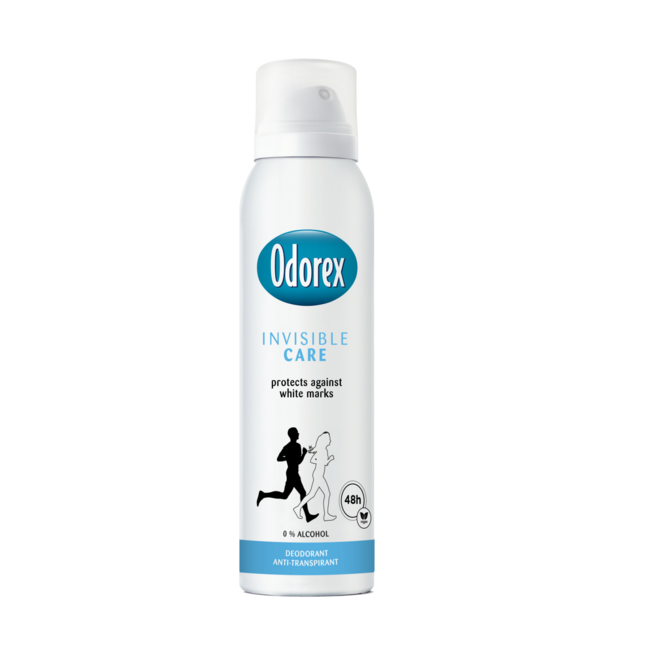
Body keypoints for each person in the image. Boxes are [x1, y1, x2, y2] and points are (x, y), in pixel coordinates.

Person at [257, 427, 318, 523]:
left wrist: (289, 457)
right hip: (293, 473)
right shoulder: (296, 446)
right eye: (297, 433)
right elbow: (296, 461)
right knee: (302, 493)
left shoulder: (289, 446)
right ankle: (307, 516)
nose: (298, 434)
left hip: (292, 472)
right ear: (293, 435)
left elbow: (282, 458)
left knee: (285, 495)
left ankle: (263, 494)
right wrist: (303, 454)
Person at [294, 432, 337, 522]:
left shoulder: (321, 449)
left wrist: (320, 460)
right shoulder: (323, 450)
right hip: (318, 475)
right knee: (325, 494)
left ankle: (298, 508)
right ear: (325, 440)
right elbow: (321, 462)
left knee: (313, 494)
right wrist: (330, 459)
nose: (330, 440)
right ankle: (325, 515)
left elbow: (316, 460)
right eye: (328, 438)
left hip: (318, 475)